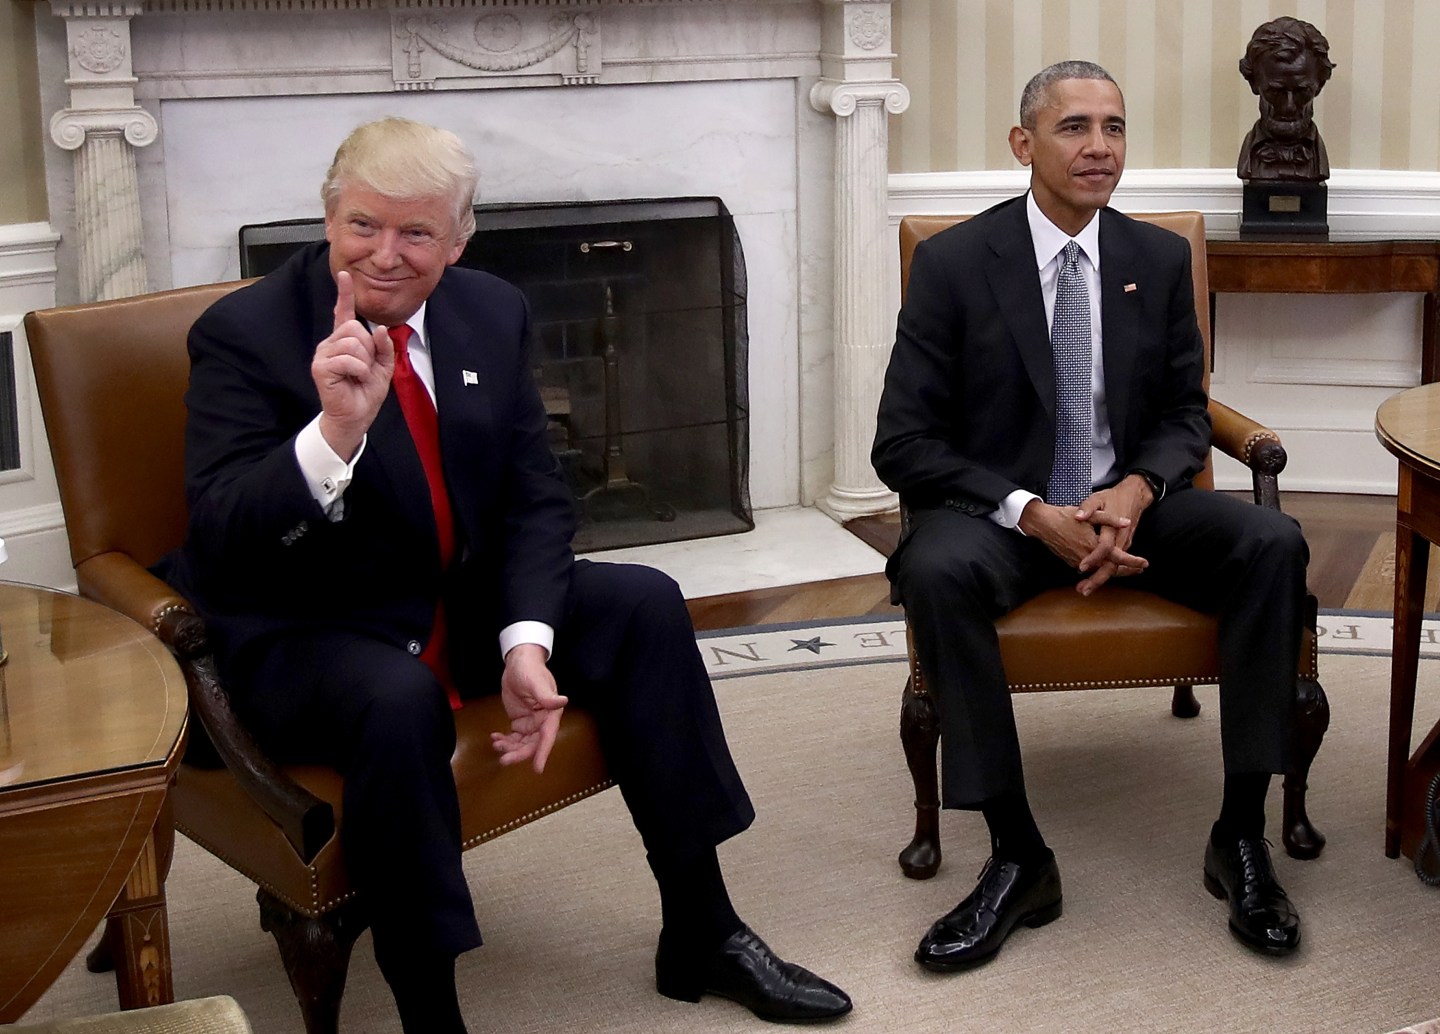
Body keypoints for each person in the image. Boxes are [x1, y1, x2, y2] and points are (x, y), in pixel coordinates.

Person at [164, 116, 851, 1032]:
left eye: (417, 232)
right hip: (306, 627)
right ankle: (430, 1009)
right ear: (329, 217)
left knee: (644, 604)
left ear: (459, 239)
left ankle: (702, 926)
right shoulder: (246, 334)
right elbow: (222, 539)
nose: (386, 254)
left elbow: (535, 497)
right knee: (396, 699)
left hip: (449, 597)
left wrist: (528, 639)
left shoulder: (489, 310)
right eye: (364, 224)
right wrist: (332, 438)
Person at [872, 61, 1311, 971]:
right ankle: (1018, 855)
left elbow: (1185, 412)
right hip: (1004, 520)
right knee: (936, 568)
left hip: (1133, 511)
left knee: (1272, 541)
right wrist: (1031, 511)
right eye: (1075, 127)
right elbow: (902, 442)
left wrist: (1139, 489)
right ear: (1023, 144)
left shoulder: (1156, 258)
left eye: (1114, 127)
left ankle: (1239, 835)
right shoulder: (955, 263)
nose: (1099, 147)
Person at [1236, 16, 1335, 182]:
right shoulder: (1249, 158)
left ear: (1319, 85)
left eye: (1302, 92)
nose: (1289, 106)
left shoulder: (1318, 157)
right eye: (1276, 91)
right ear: (1254, 83)